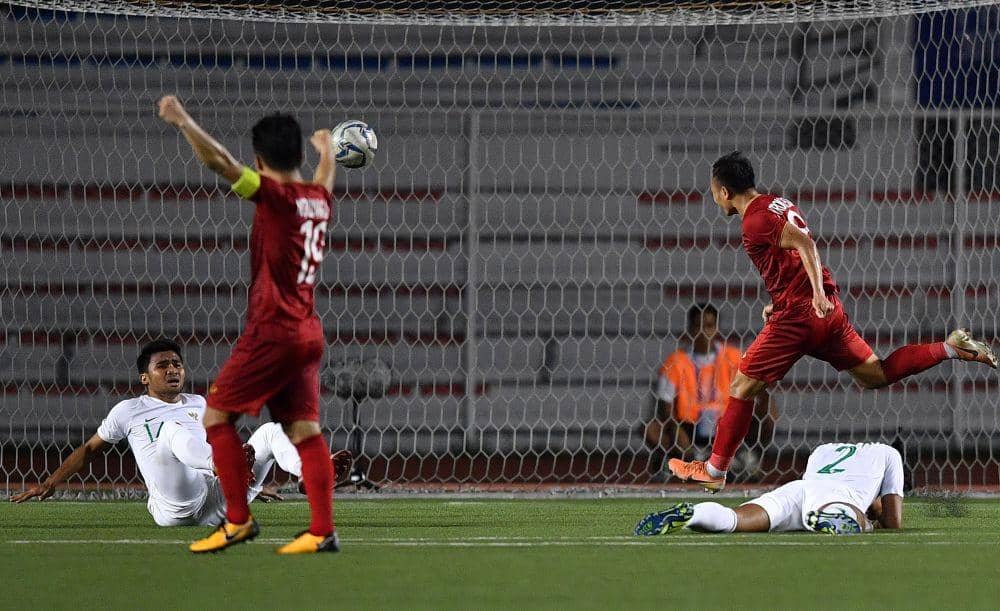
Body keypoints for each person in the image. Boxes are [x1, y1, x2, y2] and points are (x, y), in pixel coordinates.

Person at [668, 151, 996, 492]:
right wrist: (786, 300)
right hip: (826, 313)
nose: (713, 197)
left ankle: (715, 470)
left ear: (724, 191)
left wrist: (813, 296)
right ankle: (950, 348)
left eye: (713, 191)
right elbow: (790, 260)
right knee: (876, 374)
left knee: (741, 387)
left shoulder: (754, 219)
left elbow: (805, 244)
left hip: (800, 316)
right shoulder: (778, 203)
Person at [158, 95, 340, 554]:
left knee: (216, 417)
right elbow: (323, 181)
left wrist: (183, 120)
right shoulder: (317, 200)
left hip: (273, 332)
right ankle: (322, 530)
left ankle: (237, 521)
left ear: (259, 161)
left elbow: (220, 162)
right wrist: (329, 153)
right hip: (308, 331)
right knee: (305, 432)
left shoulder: (275, 198)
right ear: (298, 156)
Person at [9, 340, 353, 526]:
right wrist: (51, 481)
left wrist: (253, 484)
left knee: (269, 431)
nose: (172, 370)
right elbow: (90, 449)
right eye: (163, 366)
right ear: (145, 377)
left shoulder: (199, 403)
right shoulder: (128, 410)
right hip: (174, 505)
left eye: (177, 364)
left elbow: (205, 445)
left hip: (216, 502)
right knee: (171, 430)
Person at [637, 441, 904, 536]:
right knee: (858, 519)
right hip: (835, 500)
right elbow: (893, 521)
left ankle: (693, 514)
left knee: (736, 518)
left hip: (797, 490)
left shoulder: (823, 450)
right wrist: (875, 514)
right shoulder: (889, 453)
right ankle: (834, 519)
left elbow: (813, 488)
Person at [645, 303, 776, 482]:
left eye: (708, 326)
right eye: (698, 326)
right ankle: (683, 459)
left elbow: (757, 390)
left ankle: (746, 456)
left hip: (726, 427)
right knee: (651, 429)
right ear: (690, 329)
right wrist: (676, 430)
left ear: (716, 328)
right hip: (689, 428)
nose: (703, 332)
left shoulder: (734, 357)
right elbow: (665, 407)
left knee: (769, 413)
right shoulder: (676, 362)